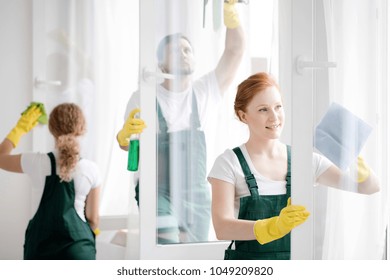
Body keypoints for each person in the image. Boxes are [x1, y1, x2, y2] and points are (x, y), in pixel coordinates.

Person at [207, 72, 380, 260]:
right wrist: (274, 226)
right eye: (263, 109)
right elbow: (222, 227)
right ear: (243, 116)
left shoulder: (304, 160)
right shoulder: (229, 162)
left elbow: (369, 187)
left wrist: (353, 159)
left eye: (278, 107)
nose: (274, 117)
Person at [116, 0, 245, 243]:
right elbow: (127, 146)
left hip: (196, 195)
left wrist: (231, 11)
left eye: (187, 50)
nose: (184, 54)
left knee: (192, 255)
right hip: (157, 191)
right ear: (161, 63)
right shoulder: (144, 96)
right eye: (176, 50)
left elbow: (235, 51)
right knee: (167, 247)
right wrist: (123, 136)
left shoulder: (204, 91)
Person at [0, 103, 101, 260]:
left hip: (40, 249)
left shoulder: (36, 161)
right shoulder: (91, 169)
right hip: (79, 251)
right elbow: (93, 219)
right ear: (81, 128)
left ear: (51, 129)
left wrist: (20, 128)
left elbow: (1, 158)